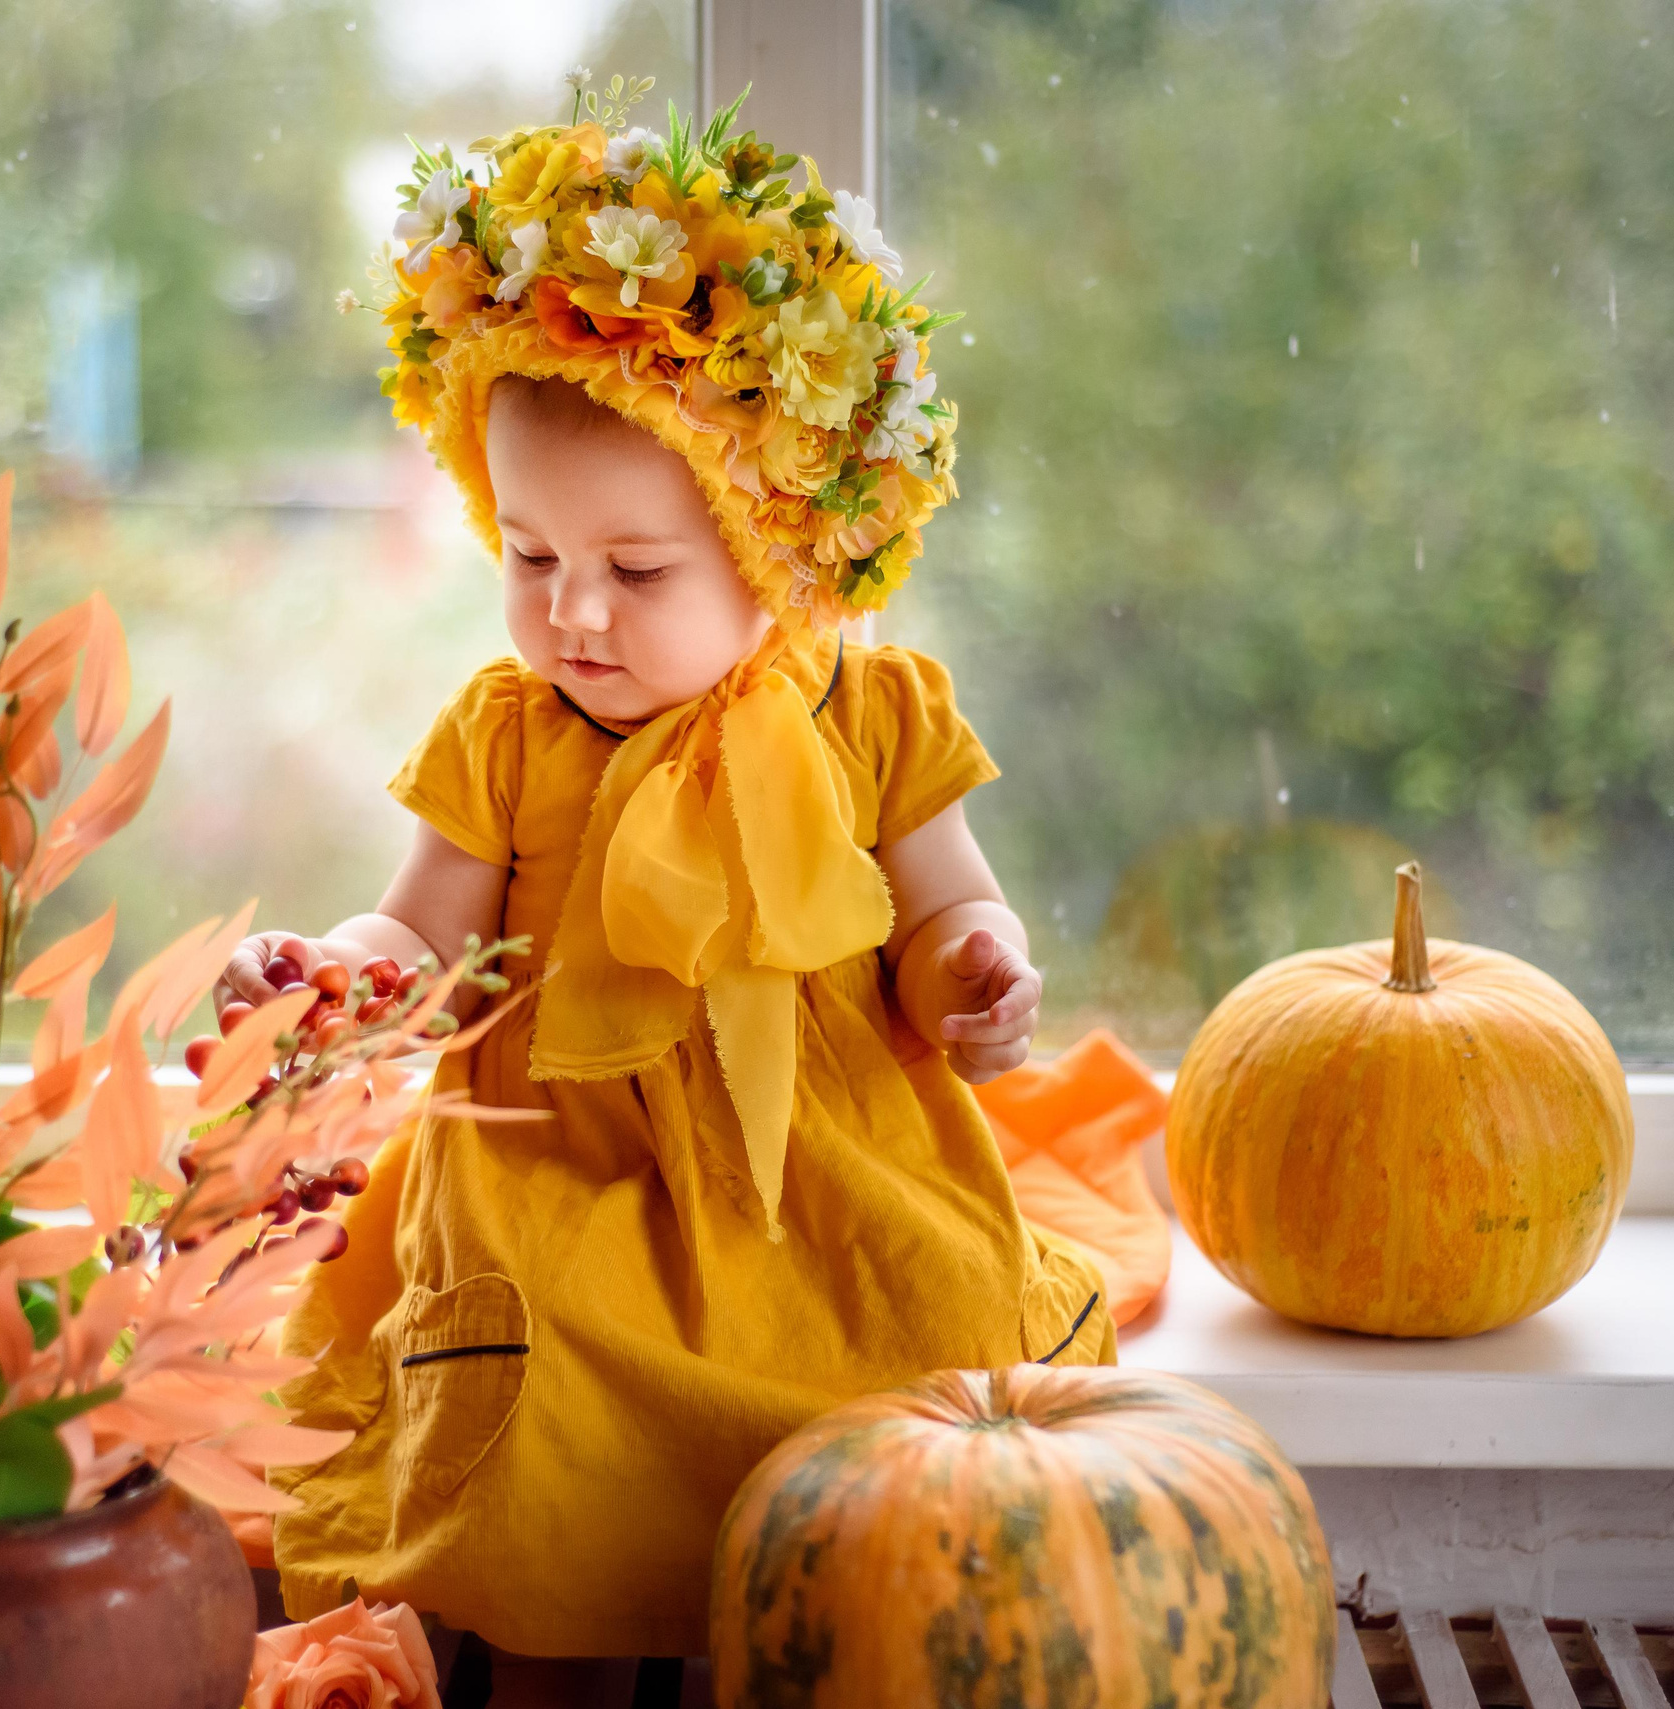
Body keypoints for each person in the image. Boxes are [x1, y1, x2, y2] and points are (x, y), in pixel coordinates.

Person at [220, 94, 1113, 1705]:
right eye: (529, 554)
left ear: (777, 542)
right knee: (549, 1377)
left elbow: (943, 916)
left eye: (637, 573)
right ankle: (563, 1654)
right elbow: (420, 930)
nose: (570, 611)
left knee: (922, 1343)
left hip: (821, 1172)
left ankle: (805, 1645)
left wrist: (976, 970)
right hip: (560, 1162)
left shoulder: (870, 712)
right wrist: (335, 977)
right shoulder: (506, 733)